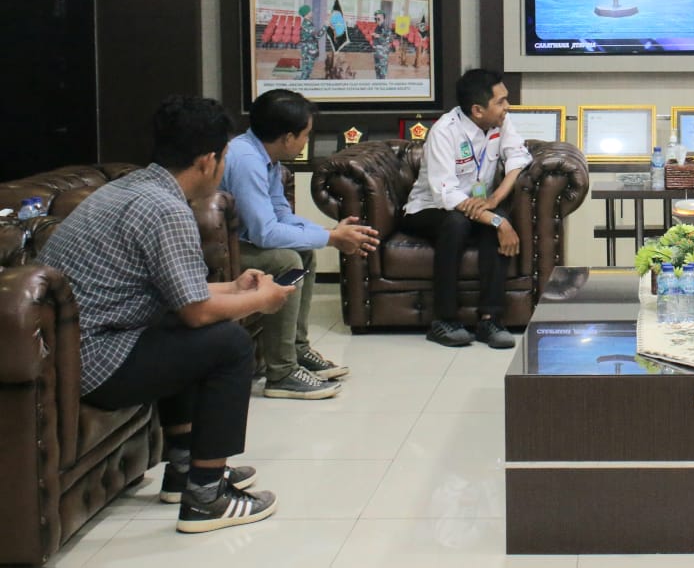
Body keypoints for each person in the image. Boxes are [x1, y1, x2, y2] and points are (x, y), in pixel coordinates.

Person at [38, 96, 291, 533]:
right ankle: (206, 497)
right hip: (94, 363)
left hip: (74, 353)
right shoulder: (165, 209)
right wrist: (261, 301)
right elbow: (197, 312)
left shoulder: (133, 188)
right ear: (209, 160)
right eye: (224, 157)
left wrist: (235, 288)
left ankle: (183, 468)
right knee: (228, 344)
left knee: (181, 327)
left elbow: (179, 293)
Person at [220, 90, 379, 399]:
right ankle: (281, 373)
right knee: (285, 261)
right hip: (224, 252)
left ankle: (297, 348)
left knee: (303, 251)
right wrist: (332, 238)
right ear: (288, 137)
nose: (307, 141)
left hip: (241, 243)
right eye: (306, 135)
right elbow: (265, 234)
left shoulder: (267, 159)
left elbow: (281, 215)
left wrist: (330, 233)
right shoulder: (247, 160)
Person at [400, 68, 531, 349]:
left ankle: (490, 320)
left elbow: (518, 159)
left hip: (476, 205)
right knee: (459, 223)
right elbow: (446, 194)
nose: (507, 107)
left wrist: (495, 201)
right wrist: (498, 221)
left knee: (489, 225)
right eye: (500, 101)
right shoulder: (444, 131)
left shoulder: (501, 122)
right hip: (428, 209)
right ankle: (444, 320)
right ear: (477, 110)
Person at [297, 4, 320, 79]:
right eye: (310, 11)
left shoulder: (308, 22)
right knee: (306, 71)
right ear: (306, 14)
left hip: (309, 50)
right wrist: (325, 26)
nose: (311, 12)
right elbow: (317, 36)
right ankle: (302, 83)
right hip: (308, 52)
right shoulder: (307, 25)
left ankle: (304, 81)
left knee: (308, 70)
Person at [370, 9, 394, 79]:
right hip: (377, 52)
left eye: (378, 19)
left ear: (383, 18)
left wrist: (378, 36)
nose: (376, 20)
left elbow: (390, 39)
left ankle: (381, 84)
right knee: (377, 71)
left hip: (382, 54)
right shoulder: (377, 27)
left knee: (382, 73)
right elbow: (376, 39)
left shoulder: (385, 27)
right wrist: (374, 36)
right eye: (375, 19)